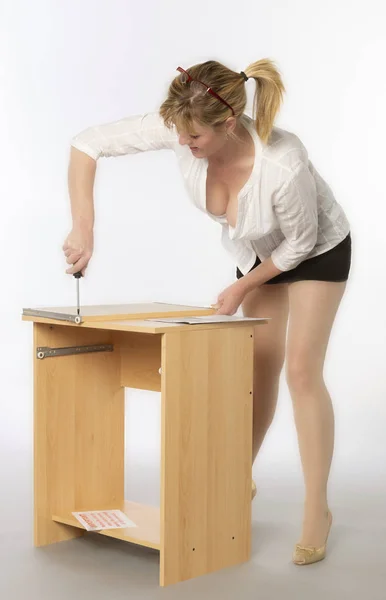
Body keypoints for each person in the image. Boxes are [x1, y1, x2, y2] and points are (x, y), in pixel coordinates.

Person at [63, 58, 352, 566]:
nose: (182, 144)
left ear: (229, 125)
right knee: (258, 369)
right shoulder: (184, 122)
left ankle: (316, 510)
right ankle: (241, 477)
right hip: (260, 255)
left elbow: (300, 242)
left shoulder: (283, 163)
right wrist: (84, 228)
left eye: (193, 139)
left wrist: (241, 289)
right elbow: (88, 143)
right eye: (178, 132)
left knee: (302, 371)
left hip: (315, 250)